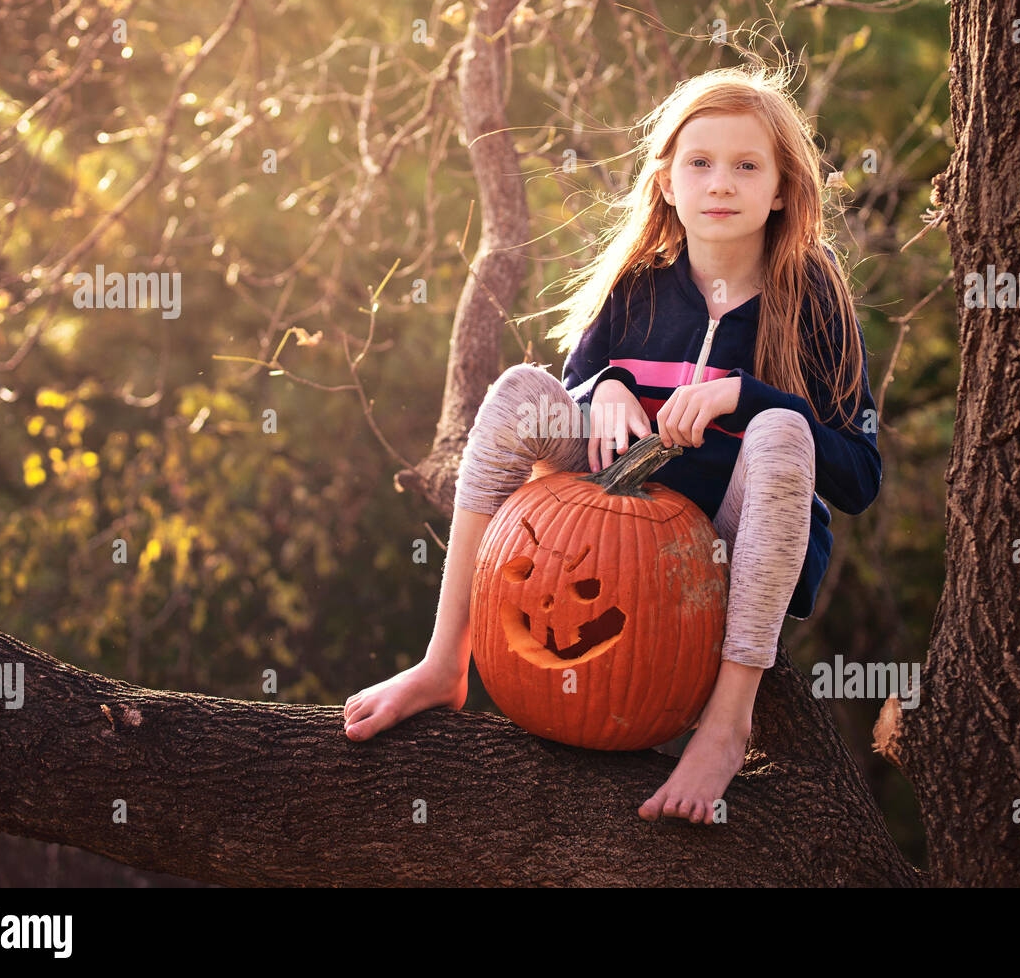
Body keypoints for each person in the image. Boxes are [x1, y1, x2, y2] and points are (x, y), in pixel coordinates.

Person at [344, 63, 882, 825]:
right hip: (615, 536)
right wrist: (607, 388)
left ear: (783, 189)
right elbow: (572, 389)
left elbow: (860, 478)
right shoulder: (637, 285)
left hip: (725, 559)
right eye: (699, 163)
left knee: (783, 429)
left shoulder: (813, 299)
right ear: (666, 182)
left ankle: (728, 722)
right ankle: (443, 662)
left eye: (746, 165)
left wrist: (747, 396)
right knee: (519, 394)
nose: (720, 182)